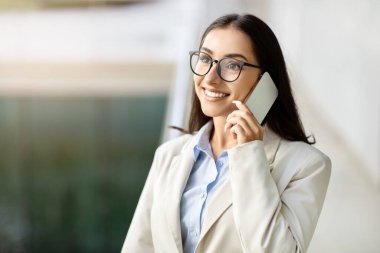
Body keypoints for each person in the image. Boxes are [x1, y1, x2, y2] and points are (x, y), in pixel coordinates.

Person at [121, 13, 331, 253]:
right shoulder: (169, 156)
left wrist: (249, 154)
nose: (210, 77)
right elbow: (139, 246)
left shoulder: (306, 166)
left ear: (265, 82)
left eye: (232, 65)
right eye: (205, 58)